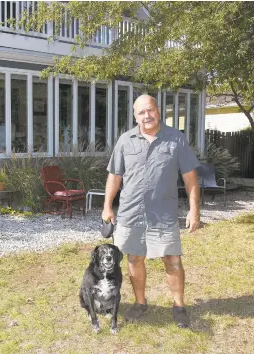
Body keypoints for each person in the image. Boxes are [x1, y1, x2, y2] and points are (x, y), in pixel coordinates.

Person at [102, 94, 200, 328]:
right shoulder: (125, 141)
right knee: (135, 259)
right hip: (131, 213)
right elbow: (115, 176)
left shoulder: (176, 139)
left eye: (151, 110)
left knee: (172, 260)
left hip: (163, 215)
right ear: (135, 116)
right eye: (141, 112)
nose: (147, 115)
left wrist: (194, 210)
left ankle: (179, 306)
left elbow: (191, 180)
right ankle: (140, 302)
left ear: (158, 111)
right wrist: (107, 206)